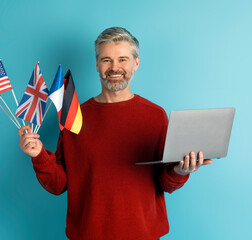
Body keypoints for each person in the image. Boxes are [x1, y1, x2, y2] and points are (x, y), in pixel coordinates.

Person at [18, 27, 213, 240]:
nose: (114, 67)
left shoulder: (155, 116)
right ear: (97, 65)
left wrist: (181, 170)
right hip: (88, 234)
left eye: (122, 59)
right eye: (106, 60)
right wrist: (39, 156)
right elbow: (59, 185)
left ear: (136, 63)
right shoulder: (74, 117)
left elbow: (165, 183)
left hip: (143, 234)